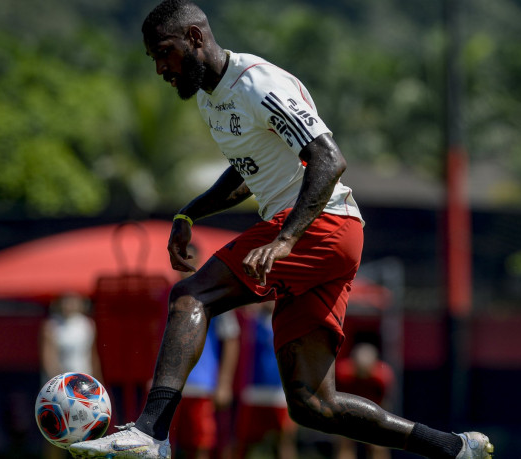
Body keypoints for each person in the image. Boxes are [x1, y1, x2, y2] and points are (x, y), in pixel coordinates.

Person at [69, 1, 494, 458]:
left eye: (164, 52)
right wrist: (188, 214)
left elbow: (329, 159)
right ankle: (453, 448)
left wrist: (286, 238)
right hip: (317, 233)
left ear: (194, 37)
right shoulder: (214, 99)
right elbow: (244, 174)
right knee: (313, 405)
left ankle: (151, 433)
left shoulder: (257, 83)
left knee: (192, 296)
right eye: (152, 58)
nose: (159, 68)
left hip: (323, 224)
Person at [169, 245, 241, 459]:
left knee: (201, 444)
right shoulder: (168, 296)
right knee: (163, 443)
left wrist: (224, 383)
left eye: (190, 259)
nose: (186, 265)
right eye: (182, 259)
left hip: (202, 385)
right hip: (170, 385)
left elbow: (231, 340)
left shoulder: (214, 295)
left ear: (200, 261)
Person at [40, 292, 103, 459]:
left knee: (87, 436)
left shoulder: (87, 325)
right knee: (56, 435)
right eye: (65, 301)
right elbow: (49, 359)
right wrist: (62, 388)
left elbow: (92, 356)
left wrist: (98, 384)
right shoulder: (51, 326)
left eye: (72, 301)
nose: (69, 305)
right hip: (58, 391)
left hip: (85, 390)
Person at [234, 301, 297, 459]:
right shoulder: (250, 321)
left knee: (283, 443)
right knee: (244, 443)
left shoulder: (289, 322)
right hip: (253, 391)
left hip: (281, 395)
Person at [334, 342, 395, 459]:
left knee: (378, 446)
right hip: (348, 411)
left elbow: (384, 402)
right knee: (345, 444)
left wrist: (381, 424)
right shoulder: (343, 373)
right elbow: (337, 399)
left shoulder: (382, 376)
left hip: (375, 411)